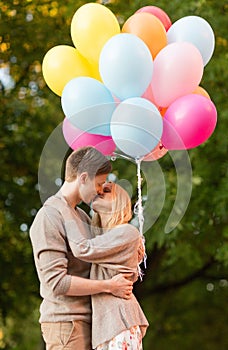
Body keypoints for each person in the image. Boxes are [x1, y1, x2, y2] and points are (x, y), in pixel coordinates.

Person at [29, 147, 134, 350]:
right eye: (99, 183)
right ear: (84, 177)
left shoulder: (82, 217)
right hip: (67, 323)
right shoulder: (50, 216)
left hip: (91, 323)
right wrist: (109, 286)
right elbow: (57, 283)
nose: (100, 190)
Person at [65, 182, 149, 350]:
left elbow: (82, 249)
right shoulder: (104, 237)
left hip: (120, 322)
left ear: (120, 201)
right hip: (108, 326)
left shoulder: (127, 232)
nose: (99, 191)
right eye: (99, 189)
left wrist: (64, 208)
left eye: (107, 190)